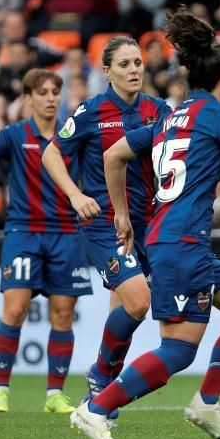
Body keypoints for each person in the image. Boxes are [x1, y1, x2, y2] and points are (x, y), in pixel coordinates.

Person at [71, 8, 220, 439]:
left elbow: (113, 154)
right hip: (183, 242)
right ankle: (95, 409)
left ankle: (207, 403)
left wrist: (120, 212)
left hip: (176, 240)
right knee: (177, 350)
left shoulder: (169, 118)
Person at [41, 36, 171, 418]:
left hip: (148, 223)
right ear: (107, 71)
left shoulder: (158, 109)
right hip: (105, 224)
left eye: (138, 63)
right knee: (137, 300)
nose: (134, 70)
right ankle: (101, 376)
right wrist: (75, 195)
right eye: (126, 64)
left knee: (127, 309)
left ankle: (101, 400)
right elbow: (52, 153)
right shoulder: (91, 111)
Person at [0, 69, 91, 414]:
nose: (51, 98)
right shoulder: (15, 134)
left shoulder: (73, 134)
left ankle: (54, 395)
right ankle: (0, 391)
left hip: (67, 234)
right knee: (14, 309)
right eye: (42, 92)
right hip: (23, 233)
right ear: (27, 99)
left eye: (55, 91)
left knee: (63, 313)